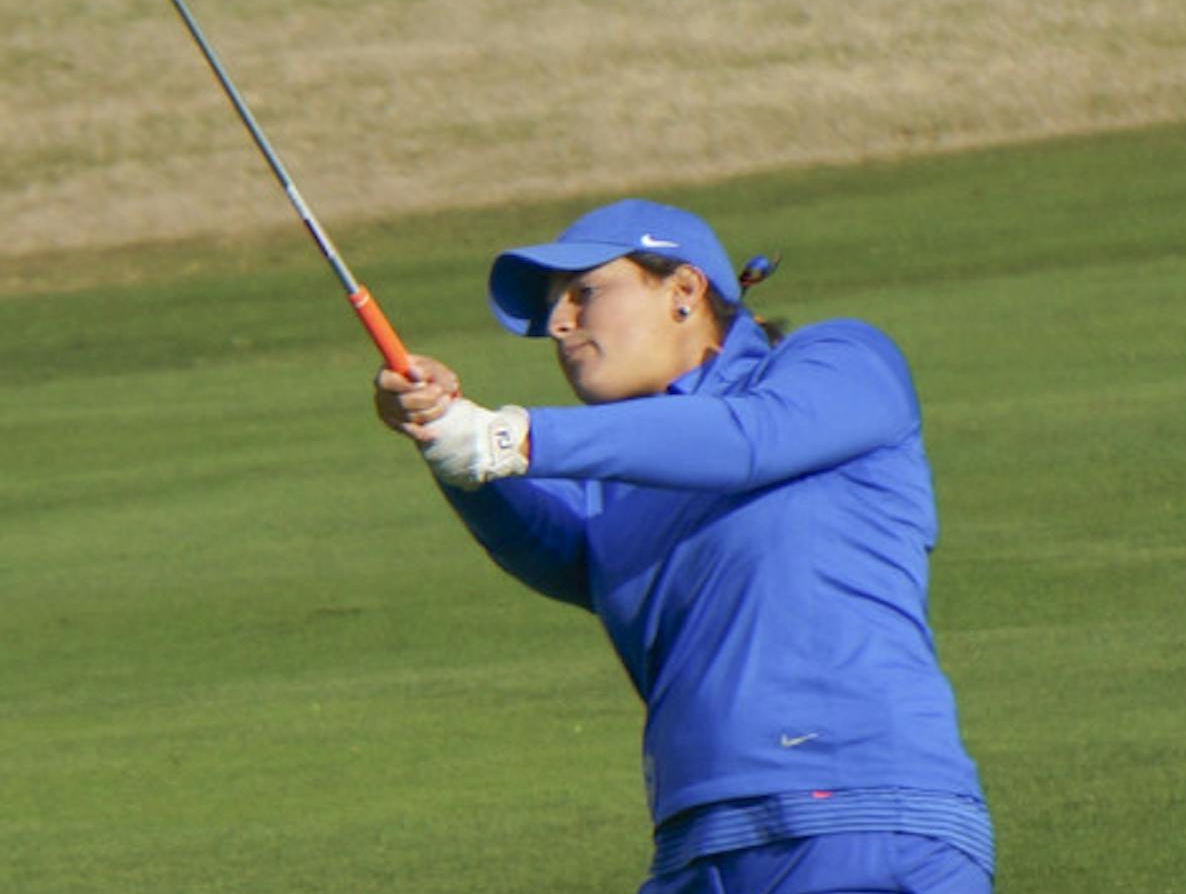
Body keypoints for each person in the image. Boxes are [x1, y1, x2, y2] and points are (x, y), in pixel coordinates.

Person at [374, 198, 995, 893]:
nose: (557, 323)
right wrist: (447, 443)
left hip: (858, 816)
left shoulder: (840, 362)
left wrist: (508, 437)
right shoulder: (623, 475)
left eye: (584, 292)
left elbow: (749, 439)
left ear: (685, 290)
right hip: (697, 842)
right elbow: (561, 546)